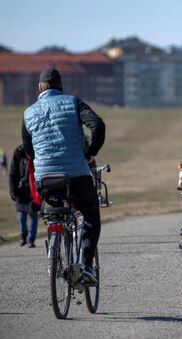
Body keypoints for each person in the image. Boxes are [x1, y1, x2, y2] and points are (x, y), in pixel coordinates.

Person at [21, 67, 105, 285]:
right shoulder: (73, 103)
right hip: (77, 176)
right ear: (61, 86)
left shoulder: (28, 113)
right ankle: (85, 266)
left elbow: (27, 149)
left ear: (40, 87)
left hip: (46, 180)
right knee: (90, 216)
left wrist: (41, 160)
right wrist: (90, 152)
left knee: (56, 212)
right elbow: (97, 124)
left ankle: (55, 254)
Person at [8, 144, 42, 247]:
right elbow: (12, 174)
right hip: (21, 190)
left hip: (34, 190)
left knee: (33, 215)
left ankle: (31, 239)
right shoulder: (18, 152)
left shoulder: (38, 150)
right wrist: (13, 191)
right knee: (21, 216)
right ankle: (23, 235)